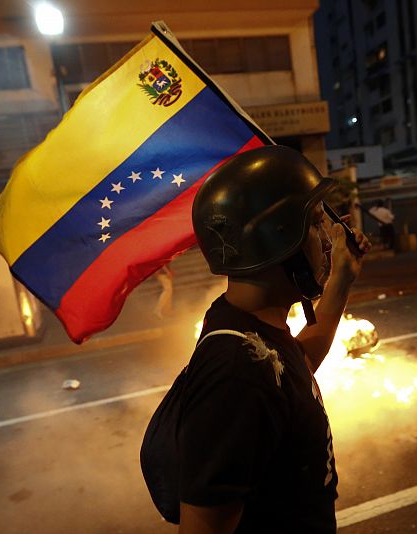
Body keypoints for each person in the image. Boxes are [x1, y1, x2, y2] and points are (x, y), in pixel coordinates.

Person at [141, 145, 371, 533]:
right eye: (316, 225)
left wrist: (341, 280)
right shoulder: (236, 373)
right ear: (276, 240)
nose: (327, 239)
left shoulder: (252, 329)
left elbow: (294, 369)